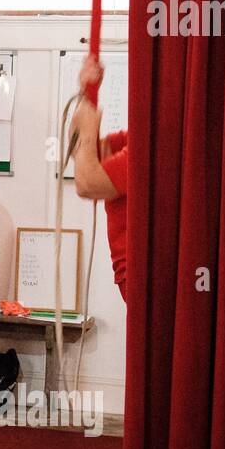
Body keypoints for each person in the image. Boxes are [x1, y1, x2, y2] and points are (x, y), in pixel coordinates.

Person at [71, 58, 128, 302]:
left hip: (143, 274)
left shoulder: (154, 145)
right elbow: (84, 154)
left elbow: (88, 182)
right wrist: (86, 94)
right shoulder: (131, 139)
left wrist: (87, 126)